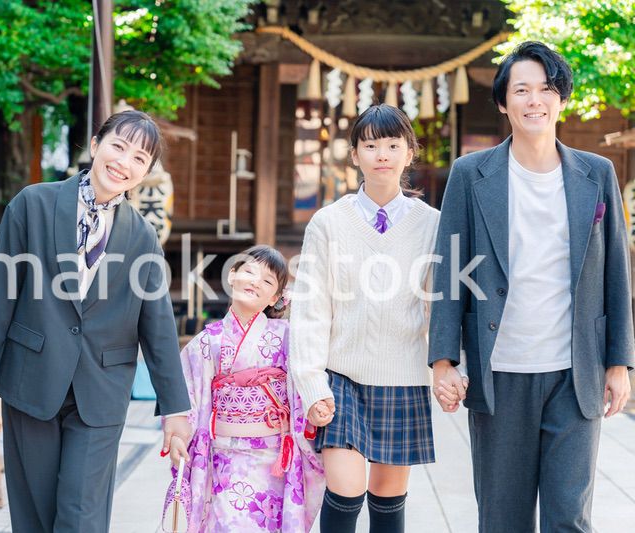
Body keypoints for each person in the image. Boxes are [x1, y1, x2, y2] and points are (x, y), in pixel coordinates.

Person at [428, 41, 634, 532]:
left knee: (570, 518)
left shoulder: (596, 173)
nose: (534, 100)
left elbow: (616, 275)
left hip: (574, 371)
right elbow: (449, 269)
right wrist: (443, 361)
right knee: (503, 519)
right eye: (522, 90)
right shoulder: (470, 174)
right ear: (504, 103)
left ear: (561, 98)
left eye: (546, 88)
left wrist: (619, 362)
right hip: (501, 373)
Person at [0, 110, 192, 533]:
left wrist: (175, 408)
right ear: (95, 145)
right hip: (31, 377)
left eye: (140, 158)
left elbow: (158, 328)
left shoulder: (142, 237)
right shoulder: (32, 204)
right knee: (35, 513)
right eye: (118, 146)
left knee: (80, 514)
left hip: (101, 391)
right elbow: (1, 295)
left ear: (145, 172)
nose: (124, 162)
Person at [290, 104, 441, 533]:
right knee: (345, 491)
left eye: (393, 145)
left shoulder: (432, 225)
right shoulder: (328, 222)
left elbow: (439, 307)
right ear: (354, 154)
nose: (382, 154)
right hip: (342, 378)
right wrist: (311, 382)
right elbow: (310, 308)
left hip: (404, 377)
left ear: (409, 152)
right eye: (370, 144)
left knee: (388, 502)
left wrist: (448, 366)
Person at [165, 245, 325, 533]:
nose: (255, 281)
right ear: (233, 276)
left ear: (275, 298)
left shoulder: (288, 337)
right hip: (224, 459)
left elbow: (306, 381)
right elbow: (186, 395)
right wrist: (178, 434)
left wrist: (316, 404)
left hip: (274, 460)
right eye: (249, 271)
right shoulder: (206, 342)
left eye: (267, 281)